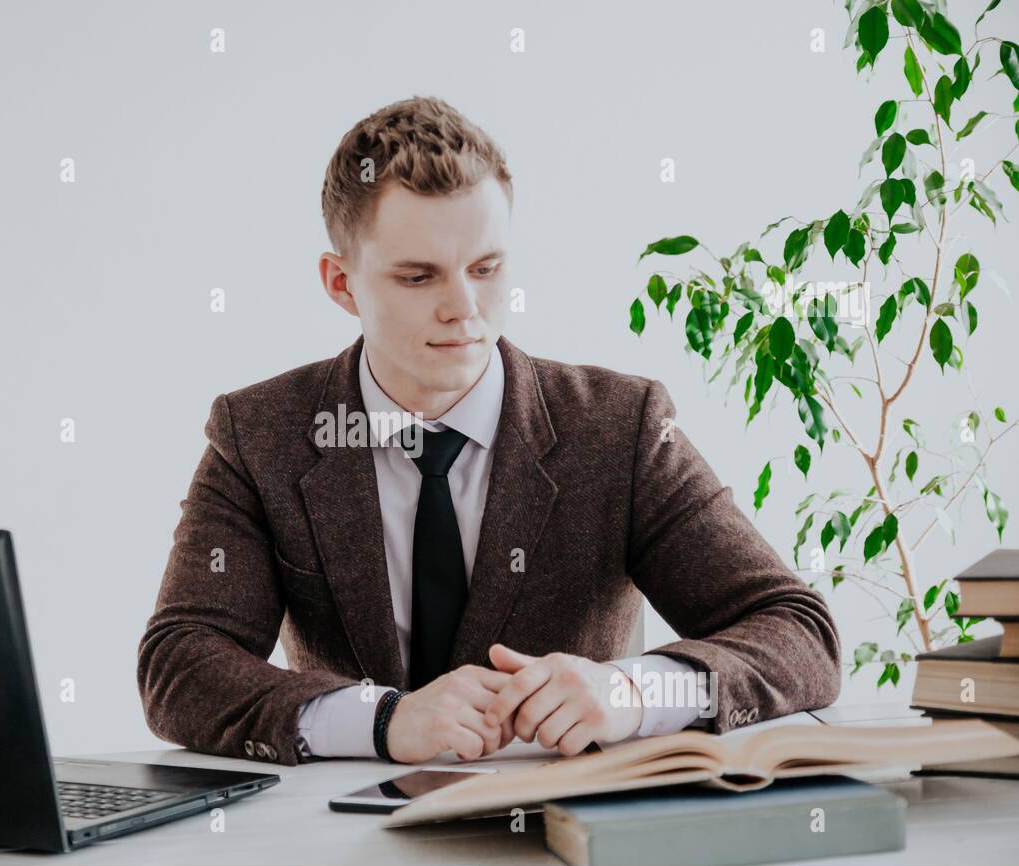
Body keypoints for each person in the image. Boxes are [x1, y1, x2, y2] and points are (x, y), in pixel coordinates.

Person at [137, 95, 840, 767]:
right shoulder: (262, 433)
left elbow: (798, 633)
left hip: (570, 832)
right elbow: (179, 663)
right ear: (341, 283)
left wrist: (633, 691)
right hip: (342, 837)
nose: (464, 309)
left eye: (486, 268)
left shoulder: (621, 428)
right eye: (418, 278)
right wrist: (381, 719)